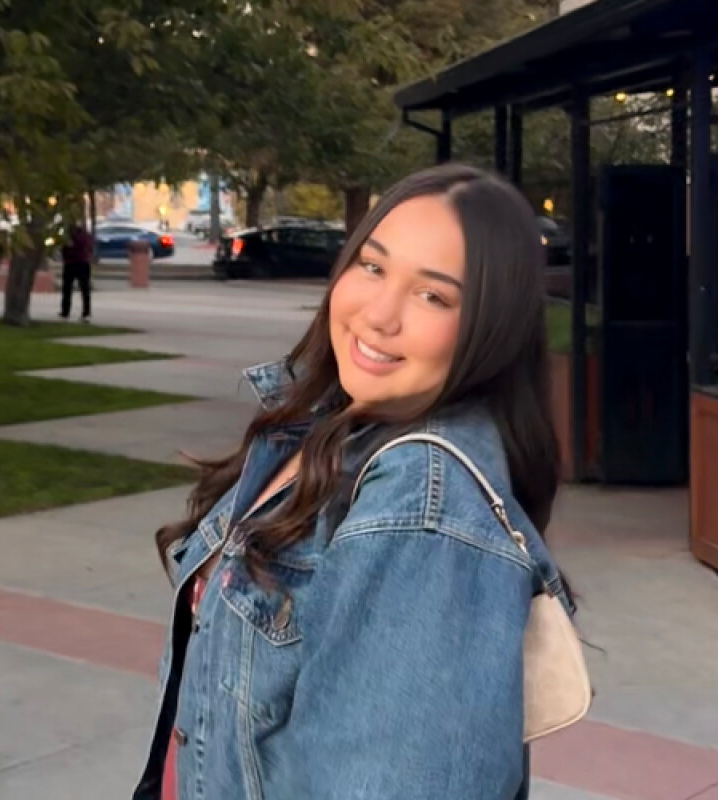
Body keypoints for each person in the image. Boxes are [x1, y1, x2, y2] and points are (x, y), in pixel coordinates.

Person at [133, 163, 568, 800]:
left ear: (489, 329)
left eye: (433, 296)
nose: (379, 314)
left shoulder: (422, 510)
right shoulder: (328, 427)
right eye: (372, 266)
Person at [59, 223, 93, 322]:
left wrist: (65, 255)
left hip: (71, 263)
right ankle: (86, 311)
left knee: (67, 289)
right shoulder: (86, 236)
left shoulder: (69, 237)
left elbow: (65, 249)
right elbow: (89, 248)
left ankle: (65, 311)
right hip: (83, 263)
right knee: (84, 289)